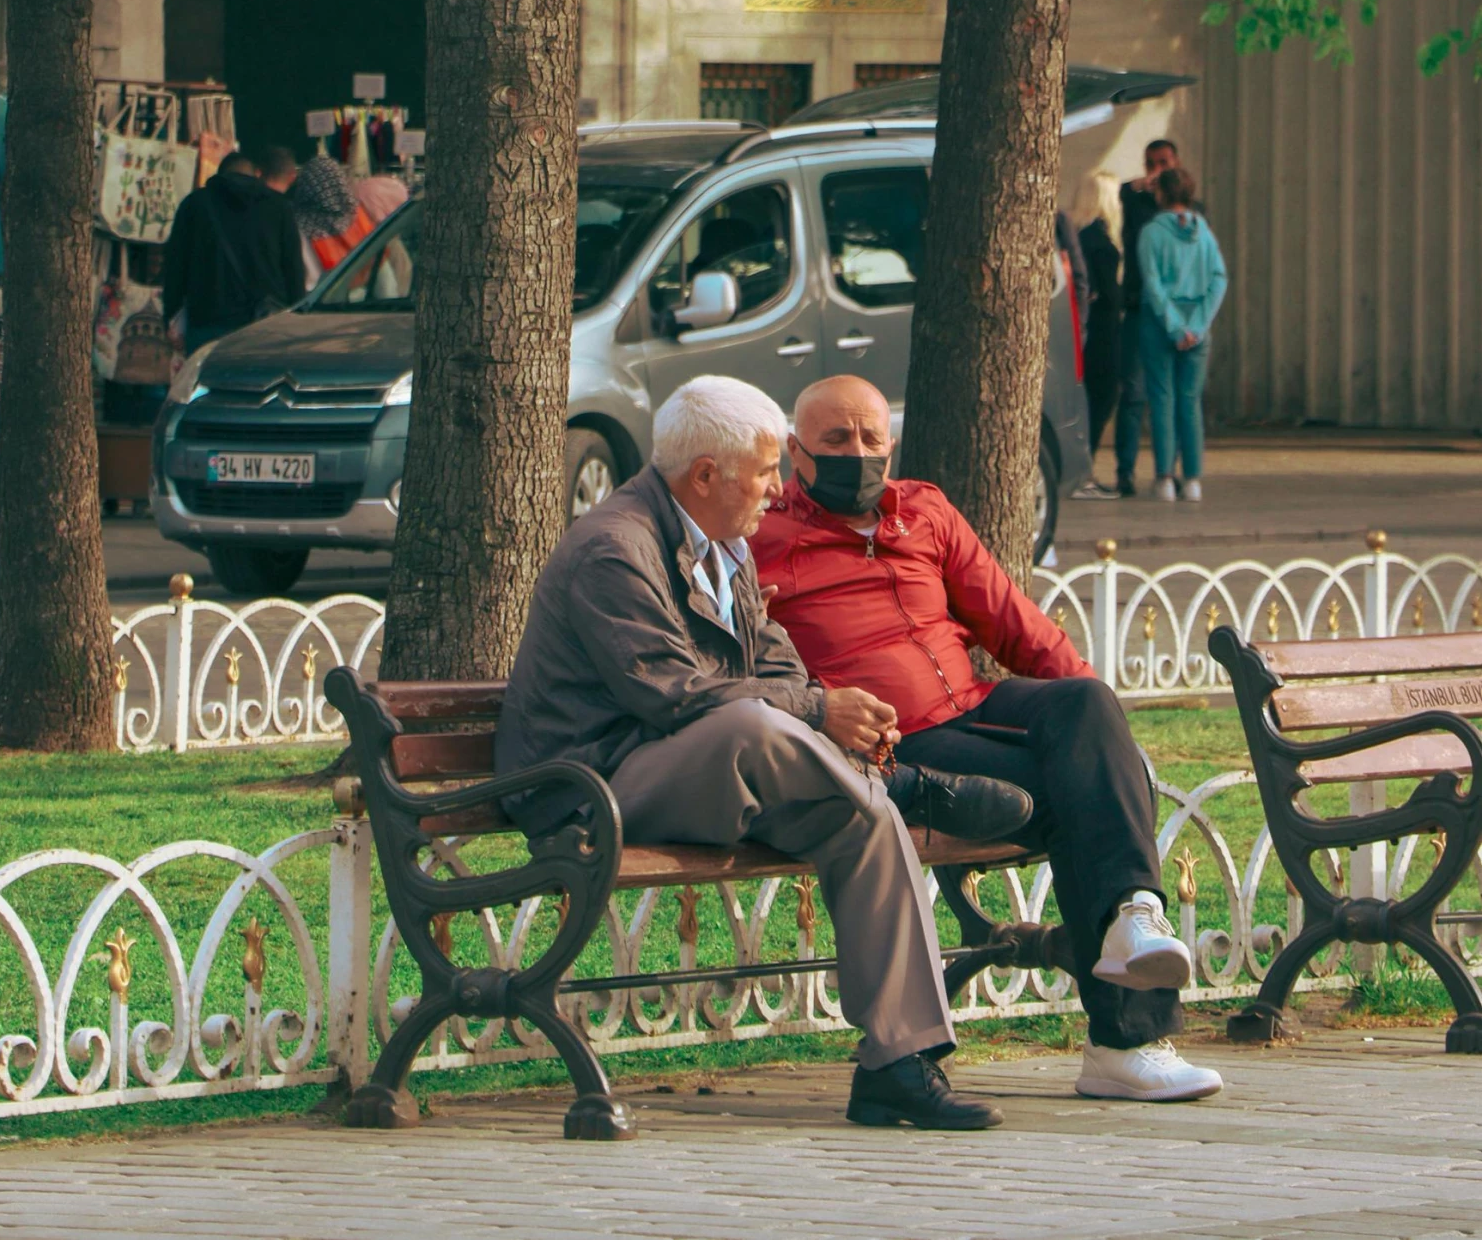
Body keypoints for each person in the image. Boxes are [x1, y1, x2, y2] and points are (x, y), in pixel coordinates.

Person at [497, 374, 1032, 1133]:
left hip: (710, 768)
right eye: (764, 470)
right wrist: (819, 712)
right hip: (594, 783)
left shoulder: (728, 543)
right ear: (706, 474)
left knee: (864, 824)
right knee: (752, 725)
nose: (778, 487)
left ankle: (896, 1063)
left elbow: (775, 662)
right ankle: (898, 784)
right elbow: (672, 695)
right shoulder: (613, 549)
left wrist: (830, 716)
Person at [754, 374, 1223, 1105]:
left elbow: (1015, 625)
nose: (857, 452)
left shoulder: (924, 511)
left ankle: (1135, 915)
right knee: (1082, 800)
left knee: (1086, 701)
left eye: (871, 438)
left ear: (892, 441)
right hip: (894, 741)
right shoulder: (762, 538)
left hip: (975, 707)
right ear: (795, 451)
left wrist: (1110, 738)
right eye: (835, 440)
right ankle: (1125, 1043)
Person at [1138, 167, 1228, 503]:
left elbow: (1153, 283)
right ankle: (1193, 479)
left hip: (1160, 323)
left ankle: (1164, 477)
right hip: (1198, 323)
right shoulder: (1202, 230)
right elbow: (1218, 279)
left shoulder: (1151, 233)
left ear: (1160, 194)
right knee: (1190, 402)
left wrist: (1175, 326)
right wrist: (1198, 325)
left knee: (1162, 399)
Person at [162, 150, 305, 352]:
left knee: (207, 382)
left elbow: (175, 267)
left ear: (220, 175)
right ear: (257, 174)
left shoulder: (193, 205)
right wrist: (296, 319)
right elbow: (293, 269)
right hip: (265, 324)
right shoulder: (279, 207)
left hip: (207, 322)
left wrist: (170, 317)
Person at [1114, 138, 1179, 498]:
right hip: (1140, 308)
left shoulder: (1189, 208)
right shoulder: (1134, 199)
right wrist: (1146, 190)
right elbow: (1132, 221)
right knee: (1134, 394)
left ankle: (1169, 472)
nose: (1158, 170)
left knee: (1170, 396)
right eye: (1152, 163)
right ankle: (1125, 472)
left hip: (1174, 312)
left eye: (1165, 163)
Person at [1072, 170, 1124, 474]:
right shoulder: (1101, 240)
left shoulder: (1081, 234)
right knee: (1103, 395)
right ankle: (1086, 465)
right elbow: (1109, 291)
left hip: (1090, 328)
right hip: (1104, 328)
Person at [289, 154, 373, 289]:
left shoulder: (298, 223)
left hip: (323, 301)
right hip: (365, 299)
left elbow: (308, 279)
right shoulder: (358, 215)